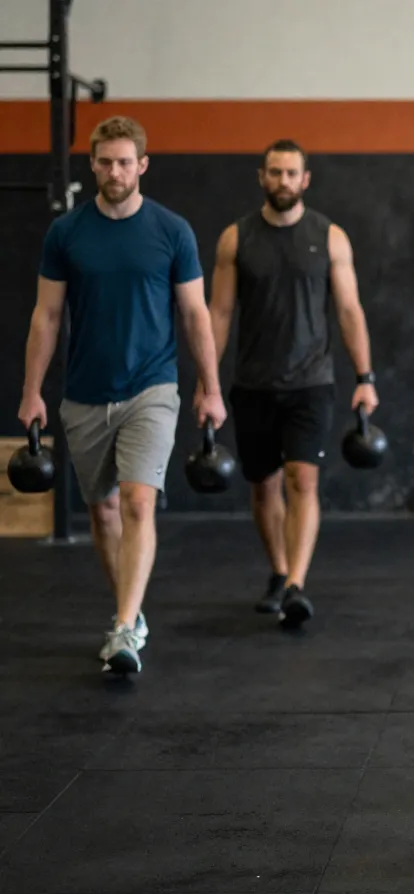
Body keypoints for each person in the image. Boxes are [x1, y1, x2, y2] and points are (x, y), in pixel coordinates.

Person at [17, 115, 227, 676]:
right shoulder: (66, 234)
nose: (115, 171)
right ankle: (127, 616)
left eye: (124, 161)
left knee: (137, 500)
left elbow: (194, 313)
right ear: (93, 165)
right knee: (103, 510)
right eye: (105, 161)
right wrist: (31, 392)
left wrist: (210, 386)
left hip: (151, 388)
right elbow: (47, 315)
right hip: (83, 392)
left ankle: (124, 627)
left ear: (143, 165)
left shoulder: (172, 231)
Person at [205, 139, 379, 628]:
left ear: (305, 180)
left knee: (303, 479)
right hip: (252, 383)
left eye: (291, 173)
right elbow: (218, 313)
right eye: (275, 172)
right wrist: (207, 383)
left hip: (312, 382)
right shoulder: (235, 239)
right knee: (264, 487)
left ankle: (297, 583)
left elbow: (349, 311)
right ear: (261, 176)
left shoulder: (330, 237)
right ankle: (279, 573)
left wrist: (365, 377)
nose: (283, 181)